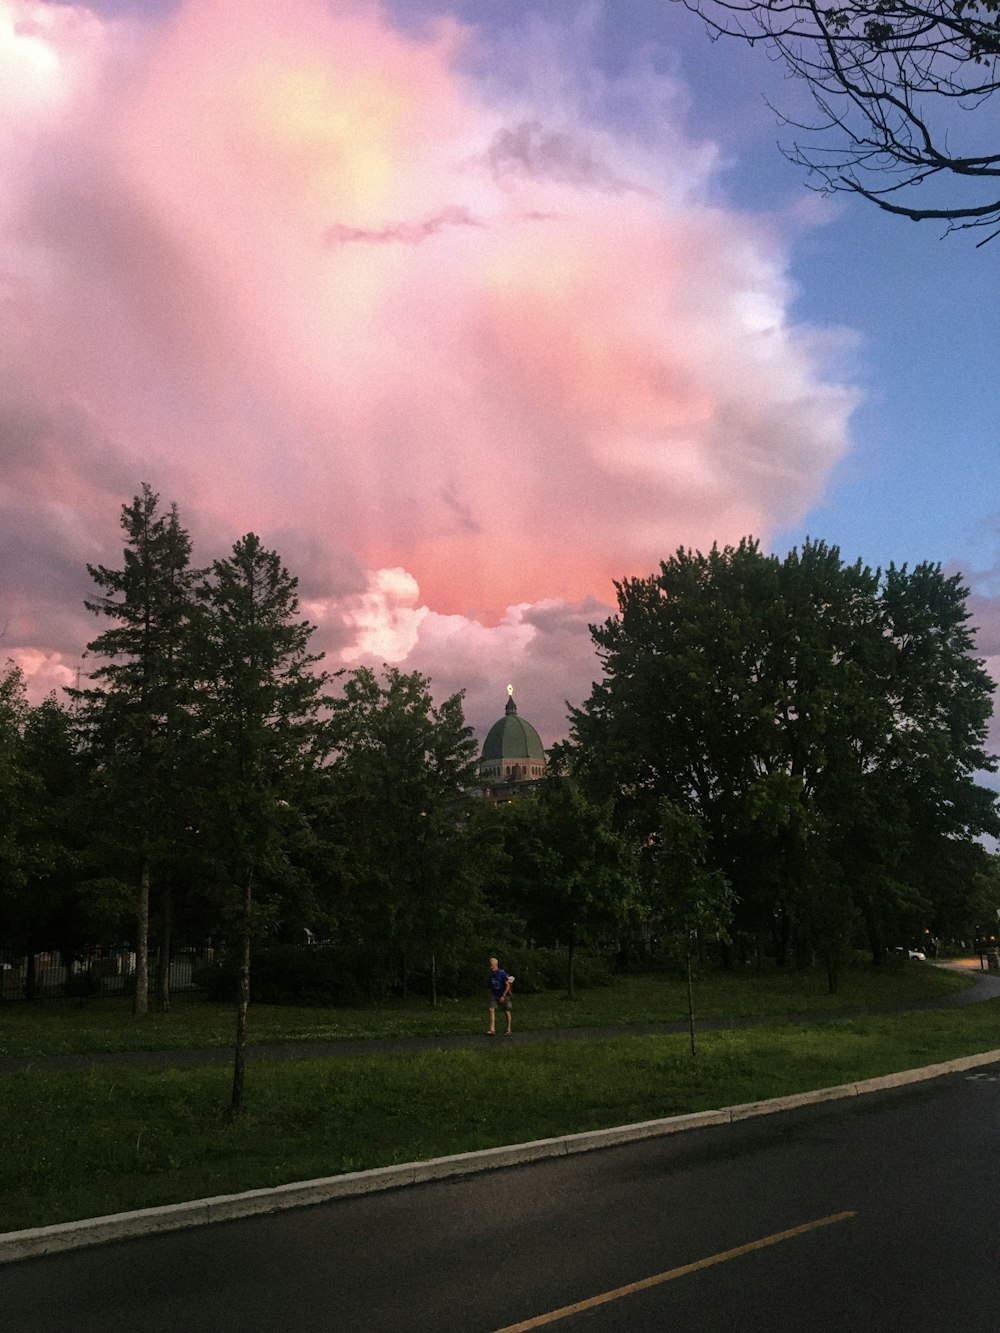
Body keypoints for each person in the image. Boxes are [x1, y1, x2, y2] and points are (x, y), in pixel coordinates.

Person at [487, 956, 513, 1035]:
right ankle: (492, 1029)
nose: (491, 966)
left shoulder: (501, 973)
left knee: (506, 1011)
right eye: (490, 965)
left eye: (492, 965)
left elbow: (507, 985)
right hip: (495, 995)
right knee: (491, 1009)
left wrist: (504, 995)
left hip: (504, 994)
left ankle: (508, 1029)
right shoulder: (492, 974)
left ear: (495, 964)